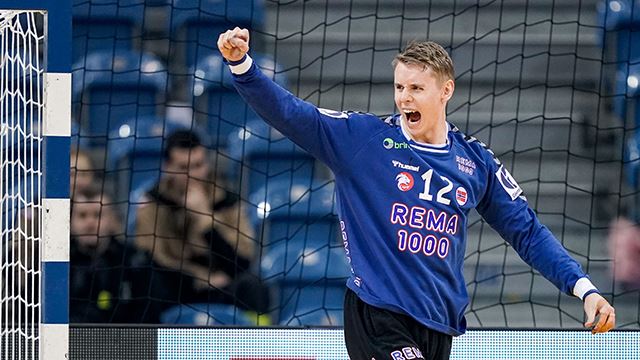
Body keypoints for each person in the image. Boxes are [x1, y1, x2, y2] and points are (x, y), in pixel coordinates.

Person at [217, 28, 616, 359]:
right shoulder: (364, 140)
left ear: (446, 91)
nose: (404, 97)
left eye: (416, 88)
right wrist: (243, 66)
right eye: (399, 87)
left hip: (437, 324)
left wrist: (584, 289)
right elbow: (291, 113)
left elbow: (526, 233)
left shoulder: (474, 162)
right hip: (377, 314)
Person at [134, 130, 269, 315]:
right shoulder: (153, 203)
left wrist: (205, 219)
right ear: (168, 167)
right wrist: (199, 278)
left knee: (253, 286)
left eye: (198, 165)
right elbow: (153, 258)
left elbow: (241, 261)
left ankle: (258, 341)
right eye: (183, 167)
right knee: (147, 281)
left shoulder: (227, 201)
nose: (193, 175)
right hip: (177, 286)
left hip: (223, 283)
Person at [70, 187, 152, 323]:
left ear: (111, 219)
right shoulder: (55, 263)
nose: (90, 223)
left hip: (122, 341)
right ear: (70, 222)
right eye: (82, 215)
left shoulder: (134, 261)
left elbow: (148, 316)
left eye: (98, 215)